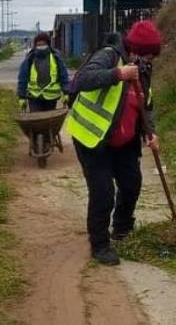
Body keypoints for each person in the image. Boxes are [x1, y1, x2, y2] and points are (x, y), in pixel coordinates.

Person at [66, 20, 162, 265]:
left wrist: (149, 132)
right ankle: (100, 244)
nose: (150, 60)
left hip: (124, 140)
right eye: (148, 55)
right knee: (103, 192)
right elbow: (80, 80)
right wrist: (117, 74)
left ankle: (122, 229)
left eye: (152, 56)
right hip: (92, 138)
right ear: (136, 50)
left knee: (131, 184)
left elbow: (145, 104)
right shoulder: (108, 56)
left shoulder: (144, 70)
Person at [17, 32, 70, 112]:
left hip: (51, 97)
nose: (41, 46)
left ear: (48, 44)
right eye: (39, 44)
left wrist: (66, 92)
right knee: (36, 120)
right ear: (35, 45)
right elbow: (22, 78)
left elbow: (63, 75)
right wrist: (22, 97)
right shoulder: (30, 58)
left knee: (49, 120)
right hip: (34, 97)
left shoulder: (56, 58)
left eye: (43, 44)